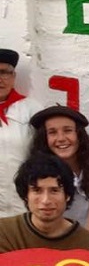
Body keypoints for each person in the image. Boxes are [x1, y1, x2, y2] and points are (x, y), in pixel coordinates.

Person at [29, 105, 89, 260]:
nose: (61, 138)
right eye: (52, 132)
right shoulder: (39, 174)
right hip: (53, 248)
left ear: (79, 135)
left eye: (68, 130)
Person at [0, 153, 89, 253]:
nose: (46, 200)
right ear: (26, 196)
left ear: (67, 195)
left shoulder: (87, 243)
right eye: (37, 190)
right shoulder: (4, 232)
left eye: (54, 190)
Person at [0, 48, 42, 218]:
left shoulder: (31, 110)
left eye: (5, 72)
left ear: (14, 76)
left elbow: (56, 145)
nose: (0, 78)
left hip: (22, 208)